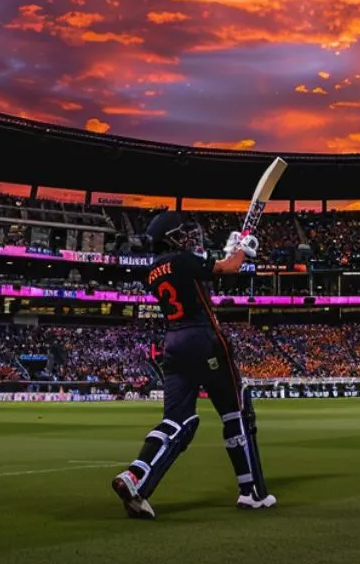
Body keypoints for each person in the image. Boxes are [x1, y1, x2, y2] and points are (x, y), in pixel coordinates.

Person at [111, 211, 274, 519]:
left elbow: (204, 279)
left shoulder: (154, 270)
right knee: (236, 413)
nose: (191, 237)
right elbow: (228, 269)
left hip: (173, 344)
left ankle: (135, 477)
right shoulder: (183, 261)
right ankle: (251, 491)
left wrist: (230, 251)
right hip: (205, 339)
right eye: (184, 233)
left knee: (177, 422)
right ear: (171, 237)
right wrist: (244, 248)